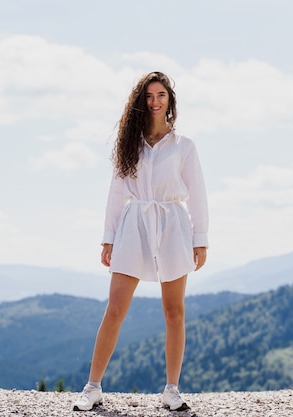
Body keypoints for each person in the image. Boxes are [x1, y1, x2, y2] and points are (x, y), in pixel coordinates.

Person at [72, 71, 209, 412]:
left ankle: (171, 390)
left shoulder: (184, 146)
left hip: (173, 226)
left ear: (169, 101)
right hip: (133, 225)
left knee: (174, 311)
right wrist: (109, 238)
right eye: (148, 96)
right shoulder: (129, 144)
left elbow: (198, 196)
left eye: (161, 95)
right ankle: (92, 387)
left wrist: (200, 238)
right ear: (141, 101)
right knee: (115, 308)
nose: (154, 101)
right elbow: (117, 192)